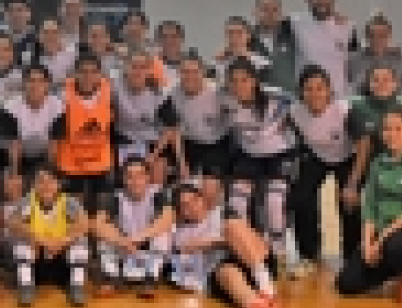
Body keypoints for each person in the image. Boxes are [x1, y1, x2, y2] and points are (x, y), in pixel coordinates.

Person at [336, 106, 402, 306]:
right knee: (346, 284)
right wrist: (367, 245)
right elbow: (369, 206)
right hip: (383, 234)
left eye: (398, 128)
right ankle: (394, 271)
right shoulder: (378, 163)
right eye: (387, 129)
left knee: (395, 246)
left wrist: (380, 241)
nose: (391, 134)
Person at [169, 184, 281, 308]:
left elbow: (245, 236)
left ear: (202, 199)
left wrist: (218, 241)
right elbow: (186, 251)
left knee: (232, 227)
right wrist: (223, 241)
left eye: (195, 200)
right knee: (226, 271)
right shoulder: (180, 233)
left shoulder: (221, 213)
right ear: (181, 212)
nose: (192, 206)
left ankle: (266, 288)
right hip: (224, 270)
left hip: (255, 259)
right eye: (185, 205)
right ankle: (255, 304)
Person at [288, 65, 359, 277]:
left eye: (320, 88)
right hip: (317, 157)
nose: (315, 94)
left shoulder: (344, 110)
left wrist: (353, 182)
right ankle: (309, 255)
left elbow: (364, 143)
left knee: (349, 203)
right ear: (301, 92)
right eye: (308, 89)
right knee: (301, 199)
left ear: (329, 90)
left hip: (348, 157)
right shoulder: (295, 112)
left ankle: (351, 256)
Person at [224, 57, 296, 266]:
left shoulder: (278, 97)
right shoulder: (225, 100)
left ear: (255, 80)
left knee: (274, 203)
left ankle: (279, 255)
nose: (239, 86)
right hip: (248, 155)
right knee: (237, 202)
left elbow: (302, 105)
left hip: (279, 155)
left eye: (244, 80)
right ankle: (245, 250)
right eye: (234, 81)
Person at [344, 64, 402, 215]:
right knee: (359, 214)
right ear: (368, 83)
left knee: (400, 217)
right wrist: (353, 183)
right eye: (376, 80)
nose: (381, 84)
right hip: (371, 172)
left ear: (395, 83)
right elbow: (361, 146)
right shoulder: (356, 106)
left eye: (386, 80)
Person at [9, 164, 90, 307]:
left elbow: (84, 223)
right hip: (37, 258)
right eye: (41, 181)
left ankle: (77, 286)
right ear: (34, 185)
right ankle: (26, 287)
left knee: (80, 240)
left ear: (59, 184)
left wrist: (63, 241)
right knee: (21, 241)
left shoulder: (68, 201)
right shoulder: (28, 201)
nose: (46, 186)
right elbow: (13, 222)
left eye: (51, 181)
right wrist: (39, 240)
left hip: (61, 256)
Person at [95, 156, 173, 298]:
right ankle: (110, 278)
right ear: (123, 179)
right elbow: (98, 225)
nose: (135, 181)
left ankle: (151, 279)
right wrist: (122, 241)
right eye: (129, 176)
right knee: (104, 236)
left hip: (147, 246)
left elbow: (167, 219)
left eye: (140, 175)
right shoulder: (114, 197)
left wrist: (138, 238)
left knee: (163, 233)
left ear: (148, 177)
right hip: (124, 247)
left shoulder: (158, 194)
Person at [52, 52, 116, 215]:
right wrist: (53, 163)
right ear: (75, 74)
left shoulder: (110, 91)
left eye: (93, 71)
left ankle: (100, 230)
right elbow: (55, 132)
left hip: (100, 156)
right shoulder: (62, 95)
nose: (88, 76)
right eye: (83, 71)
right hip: (72, 158)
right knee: (75, 210)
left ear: (100, 74)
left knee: (103, 207)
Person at [167, 53, 230, 206]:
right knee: (180, 186)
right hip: (189, 142)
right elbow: (174, 129)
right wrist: (181, 162)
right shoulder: (173, 93)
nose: (190, 76)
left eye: (194, 72)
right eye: (185, 72)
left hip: (216, 144)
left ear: (203, 72)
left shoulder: (218, 93)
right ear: (179, 73)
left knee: (210, 189)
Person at [289, 0, 359, 97]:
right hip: (307, 97)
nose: (322, 1)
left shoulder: (347, 26)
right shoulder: (294, 23)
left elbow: (355, 61)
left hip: (338, 97)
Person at [111, 49, 176, 167]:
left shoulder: (158, 91)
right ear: (126, 68)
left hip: (152, 142)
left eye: (142, 67)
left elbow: (171, 129)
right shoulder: (115, 86)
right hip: (124, 139)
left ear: (148, 71)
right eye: (134, 67)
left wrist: (154, 155)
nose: (138, 72)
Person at [2, 64, 64, 183]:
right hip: (19, 155)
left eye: (40, 81)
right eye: (31, 81)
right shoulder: (10, 107)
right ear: (24, 84)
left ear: (47, 85)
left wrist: (49, 175)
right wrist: (15, 175)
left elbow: (53, 145)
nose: (35, 85)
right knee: (13, 180)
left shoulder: (57, 106)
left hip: (44, 154)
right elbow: (14, 145)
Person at [249, 0, 297, 94]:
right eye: (265, 10)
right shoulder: (247, 39)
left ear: (281, 13)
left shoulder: (293, 35)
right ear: (255, 12)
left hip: (292, 96)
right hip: (261, 98)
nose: (270, 14)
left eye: (274, 10)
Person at [347, 14, 402, 95]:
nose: (377, 40)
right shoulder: (356, 58)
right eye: (372, 36)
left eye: (382, 36)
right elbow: (355, 86)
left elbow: (400, 84)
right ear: (366, 37)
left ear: (389, 36)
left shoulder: (397, 57)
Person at [212, 16, 272, 84]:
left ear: (248, 35)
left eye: (239, 33)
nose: (234, 37)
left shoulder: (262, 63)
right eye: (231, 33)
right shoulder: (219, 62)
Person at [36, 17, 77, 93]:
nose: (50, 36)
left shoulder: (73, 54)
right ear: (40, 38)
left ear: (61, 34)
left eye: (54, 32)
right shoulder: (38, 60)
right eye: (46, 33)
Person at [154, 20, 187, 85]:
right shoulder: (149, 70)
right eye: (165, 37)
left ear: (181, 40)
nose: (169, 41)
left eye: (173, 37)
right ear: (158, 41)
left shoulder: (192, 70)